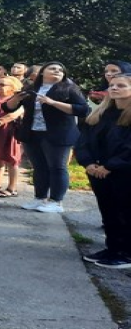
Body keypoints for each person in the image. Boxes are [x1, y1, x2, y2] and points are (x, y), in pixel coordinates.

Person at [3, 61, 89, 213]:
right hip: (33, 133)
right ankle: (39, 198)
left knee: (57, 167)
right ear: (42, 72)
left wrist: (53, 102)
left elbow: (83, 110)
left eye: (60, 70)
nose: (57, 71)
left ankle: (56, 202)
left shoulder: (69, 88)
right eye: (53, 68)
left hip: (59, 134)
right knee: (39, 167)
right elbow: (7, 108)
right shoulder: (31, 88)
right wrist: (16, 99)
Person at [75, 73, 131, 268]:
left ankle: (126, 254)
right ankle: (112, 248)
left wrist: (110, 166)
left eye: (121, 85)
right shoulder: (102, 113)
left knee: (125, 212)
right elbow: (84, 141)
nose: (114, 88)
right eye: (112, 85)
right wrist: (88, 163)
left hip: (123, 172)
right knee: (108, 212)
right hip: (98, 171)